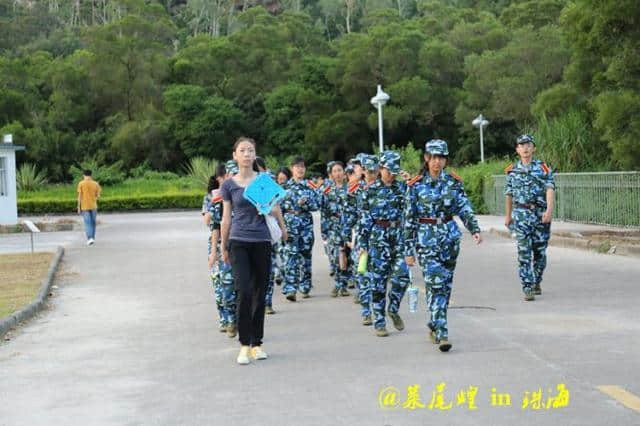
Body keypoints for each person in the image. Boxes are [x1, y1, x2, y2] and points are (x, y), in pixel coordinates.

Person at [404, 139, 482, 352]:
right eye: (433, 157)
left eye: (441, 158)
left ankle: (434, 322)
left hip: (449, 237)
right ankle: (443, 331)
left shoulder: (453, 182)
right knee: (436, 283)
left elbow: (464, 207)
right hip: (426, 239)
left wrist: (474, 229)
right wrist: (408, 250)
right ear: (426, 158)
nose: (437, 162)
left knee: (444, 286)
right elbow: (409, 219)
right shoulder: (415, 185)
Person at [220, 137, 287, 365]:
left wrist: (283, 227)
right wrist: (223, 244)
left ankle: (257, 343)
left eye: (251, 150)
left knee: (261, 292)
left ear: (254, 155)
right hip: (238, 241)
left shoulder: (264, 180)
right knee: (244, 291)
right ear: (235, 155)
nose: (247, 154)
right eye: (242, 150)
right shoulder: (228, 185)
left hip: (261, 241)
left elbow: (275, 205)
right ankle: (244, 344)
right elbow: (226, 217)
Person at [359, 151, 410, 337]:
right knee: (378, 282)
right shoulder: (369, 191)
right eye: (389, 171)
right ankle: (379, 321)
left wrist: (411, 182)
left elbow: (413, 210)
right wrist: (362, 245)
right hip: (378, 237)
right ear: (381, 169)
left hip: (398, 236)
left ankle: (393, 308)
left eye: (395, 171)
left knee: (402, 275)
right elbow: (365, 220)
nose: (392, 175)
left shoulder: (403, 189)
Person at [504, 134, 555, 301]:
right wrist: (508, 216)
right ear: (517, 150)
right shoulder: (512, 171)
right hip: (521, 215)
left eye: (528, 145)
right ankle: (527, 287)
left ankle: (536, 280)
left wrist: (549, 211)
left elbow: (550, 189)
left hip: (540, 215)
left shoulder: (543, 168)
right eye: (521, 145)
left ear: (534, 148)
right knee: (524, 252)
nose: (525, 148)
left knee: (539, 252)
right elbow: (509, 194)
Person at [281, 156, 319, 301]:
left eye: (302, 166)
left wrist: (306, 203)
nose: (300, 169)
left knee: (306, 256)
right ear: (292, 169)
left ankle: (305, 286)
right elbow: (278, 207)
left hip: (305, 225)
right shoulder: (284, 187)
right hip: (290, 224)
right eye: (297, 166)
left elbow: (316, 206)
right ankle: (290, 288)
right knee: (290, 256)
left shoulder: (310, 186)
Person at [205, 164, 237, 336]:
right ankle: (229, 320)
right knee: (224, 286)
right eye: (230, 174)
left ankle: (238, 320)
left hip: (243, 246)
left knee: (243, 287)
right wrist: (214, 252)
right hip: (222, 247)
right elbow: (215, 227)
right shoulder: (217, 200)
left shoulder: (247, 195)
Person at [321, 161, 351, 298]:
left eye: (340, 170)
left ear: (344, 172)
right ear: (331, 174)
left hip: (348, 226)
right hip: (334, 226)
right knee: (335, 257)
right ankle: (339, 283)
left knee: (348, 256)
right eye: (335, 171)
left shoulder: (351, 188)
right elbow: (324, 212)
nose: (338, 173)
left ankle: (343, 284)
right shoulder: (327, 190)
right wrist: (324, 230)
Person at [77, 169, 101, 246]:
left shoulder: (81, 183)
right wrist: (94, 198)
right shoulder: (96, 184)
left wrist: (78, 207)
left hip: (84, 206)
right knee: (93, 223)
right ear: (91, 175)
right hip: (94, 206)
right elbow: (98, 196)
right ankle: (92, 238)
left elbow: (79, 196)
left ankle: (89, 238)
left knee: (88, 223)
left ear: (84, 175)